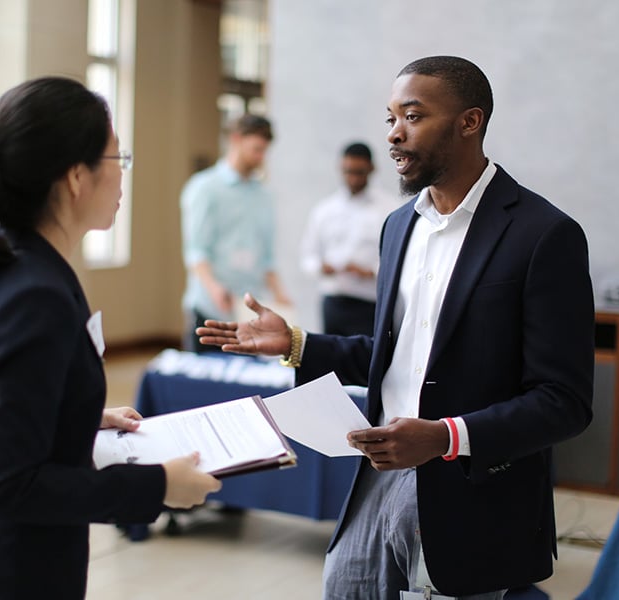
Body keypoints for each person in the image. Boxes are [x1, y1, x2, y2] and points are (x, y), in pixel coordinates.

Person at [198, 56, 595, 599]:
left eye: (412, 116)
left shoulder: (544, 235)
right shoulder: (398, 227)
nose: (394, 135)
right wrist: (294, 343)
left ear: (469, 122)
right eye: (389, 118)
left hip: (472, 494)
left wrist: (444, 438)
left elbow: (563, 400)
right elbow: (397, 353)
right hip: (376, 479)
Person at [0, 77, 221, 600]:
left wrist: (71, 416)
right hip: (5, 575)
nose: (123, 178)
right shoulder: (36, 295)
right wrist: (159, 485)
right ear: (77, 176)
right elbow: (5, 485)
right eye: (118, 160)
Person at [180, 113, 291, 353]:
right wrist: (214, 287)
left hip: (248, 315)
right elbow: (196, 252)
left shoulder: (264, 196)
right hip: (209, 311)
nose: (260, 157)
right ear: (236, 139)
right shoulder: (204, 188)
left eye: (264, 151)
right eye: (256, 149)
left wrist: (280, 295)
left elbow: (266, 258)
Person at [299, 142, 398, 336]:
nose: (352, 177)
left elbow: (398, 259)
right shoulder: (325, 210)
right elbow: (308, 255)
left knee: (366, 363)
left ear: (371, 169)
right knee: (331, 362)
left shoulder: (389, 209)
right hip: (334, 302)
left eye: (358, 172)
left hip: (369, 304)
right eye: (348, 171)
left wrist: (371, 272)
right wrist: (321, 267)